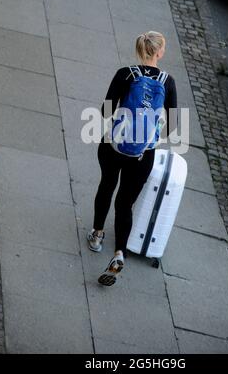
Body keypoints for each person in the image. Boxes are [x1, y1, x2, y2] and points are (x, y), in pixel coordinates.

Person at [87, 31, 177, 286]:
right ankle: (119, 253)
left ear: (140, 50)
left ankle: (96, 236)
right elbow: (173, 125)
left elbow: (106, 110)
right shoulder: (168, 82)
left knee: (106, 186)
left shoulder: (124, 73)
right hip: (143, 154)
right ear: (159, 52)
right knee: (125, 203)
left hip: (114, 145)